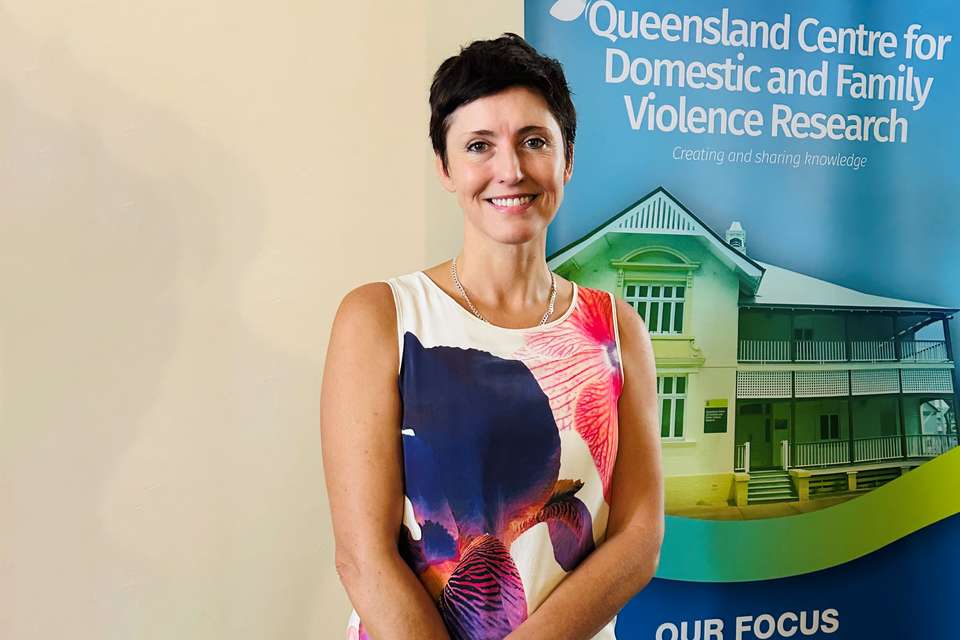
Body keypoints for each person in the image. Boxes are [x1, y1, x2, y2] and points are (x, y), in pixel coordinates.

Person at [321, 33, 663, 640]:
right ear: (445, 168)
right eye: (480, 146)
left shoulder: (615, 328)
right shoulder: (382, 318)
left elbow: (638, 537)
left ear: (567, 160)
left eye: (534, 141)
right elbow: (363, 556)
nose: (510, 169)